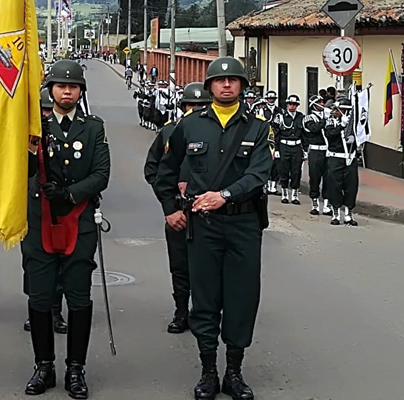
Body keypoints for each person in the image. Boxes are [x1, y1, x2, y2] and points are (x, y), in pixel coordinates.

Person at [155, 57, 273, 400]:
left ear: (242, 86)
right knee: (204, 298)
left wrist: (225, 194)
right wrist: (169, 209)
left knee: (241, 296)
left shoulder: (258, 127)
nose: (226, 85)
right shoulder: (189, 126)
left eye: (233, 81)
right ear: (208, 87)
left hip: (243, 223)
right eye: (219, 81)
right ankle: (208, 370)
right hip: (202, 226)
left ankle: (234, 371)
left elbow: (259, 174)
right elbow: (165, 172)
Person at [22, 59, 110, 399]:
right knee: (40, 298)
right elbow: (19, 168)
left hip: (79, 221)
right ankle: (44, 365)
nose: (67, 90)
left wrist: (71, 194)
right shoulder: (35, 129)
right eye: (61, 85)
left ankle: (76, 368)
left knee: (78, 298)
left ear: (80, 92)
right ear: (51, 90)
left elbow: (101, 173)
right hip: (40, 221)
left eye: (73, 86)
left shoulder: (93, 128)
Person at [144, 82, 211, 335]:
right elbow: (153, 170)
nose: (195, 110)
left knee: (207, 266)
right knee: (180, 265)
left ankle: (204, 312)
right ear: (183, 106)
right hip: (178, 211)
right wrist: (170, 207)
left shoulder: (217, 133)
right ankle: (181, 311)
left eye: (201, 106)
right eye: (191, 105)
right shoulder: (169, 132)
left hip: (208, 213)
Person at [23, 87, 69, 335]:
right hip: (31, 206)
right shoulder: (27, 135)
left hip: (58, 206)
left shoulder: (66, 133)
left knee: (60, 262)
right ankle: (36, 308)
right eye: (42, 110)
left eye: (49, 110)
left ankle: (55, 310)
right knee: (32, 263)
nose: (46, 115)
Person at [322, 98, 359, 226]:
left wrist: (356, 137)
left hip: (349, 158)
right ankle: (336, 212)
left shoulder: (354, 123)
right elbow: (330, 134)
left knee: (351, 186)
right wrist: (341, 126)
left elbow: (362, 134)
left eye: (339, 109)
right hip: (335, 157)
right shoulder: (331, 121)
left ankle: (348, 213)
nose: (336, 111)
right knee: (334, 185)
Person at [272, 94, 305, 204]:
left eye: (295, 104)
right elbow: (275, 133)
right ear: (287, 105)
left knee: (296, 171)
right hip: (284, 146)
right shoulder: (280, 116)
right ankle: (285, 193)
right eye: (290, 104)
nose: (292, 106)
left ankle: (295, 194)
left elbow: (304, 135)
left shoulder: (301, 117)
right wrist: (276, 149)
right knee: (283, 170)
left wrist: (305, 150)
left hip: (296, 146)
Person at [303, 95, 332, 215]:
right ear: (314, 105)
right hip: (315, 151)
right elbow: (314, 129)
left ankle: (327, 204)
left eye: (322, 101)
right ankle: (314, 203)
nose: (322, 104)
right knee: (314, 177)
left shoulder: (328, 116)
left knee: (329, 178)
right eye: (319, 102)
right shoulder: (308, 118)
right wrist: (325, 119)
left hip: (327, 150)